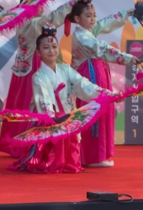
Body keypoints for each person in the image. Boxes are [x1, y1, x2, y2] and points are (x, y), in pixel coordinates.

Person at [0, 0, 92, 157]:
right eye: (38, 4)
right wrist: (75, 2)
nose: (42, 8)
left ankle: (18, 143)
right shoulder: (32, 23)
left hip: (22, 69)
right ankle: (27, 144)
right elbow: (52, 18)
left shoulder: (22, 22)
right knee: (36, 103)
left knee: (22, 103)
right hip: (34, 66)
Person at [9, 24, 114, 174]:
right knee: (48, 160)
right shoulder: (38, 76)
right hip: (49, 120)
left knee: (70, 150)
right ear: (38, 52)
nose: (51, 51)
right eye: (46, 48)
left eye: (54, 46)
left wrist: (105, 93)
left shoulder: (65, 69)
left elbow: (82, 84)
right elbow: (43, 98)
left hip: (67, 117)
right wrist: (52, 116)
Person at [69, 0, 139, 168]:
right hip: (90, 74)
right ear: (77, 19)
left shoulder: (87, 31)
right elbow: (102, 49)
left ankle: (98, 155)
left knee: (101, 109)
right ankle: (92, 157)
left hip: (97, 71)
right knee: (94, 110)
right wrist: (127, 58)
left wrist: (126, 14)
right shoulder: (82, 36)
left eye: (94, 15)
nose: (93, 19)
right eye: (88, 16)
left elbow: (105, 23)